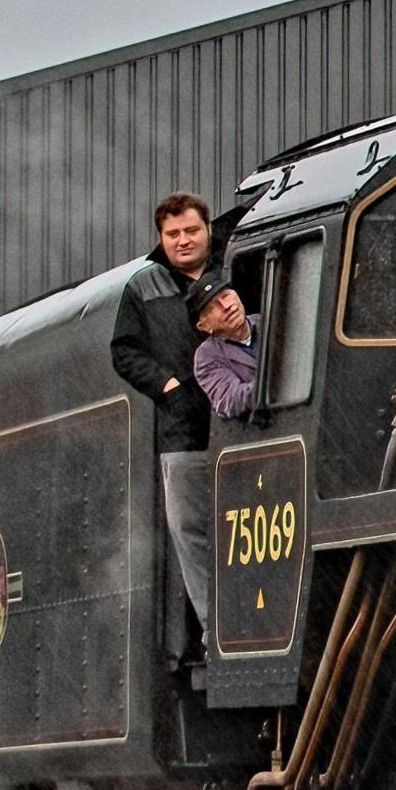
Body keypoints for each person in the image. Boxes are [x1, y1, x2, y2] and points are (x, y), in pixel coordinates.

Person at [112, 193, 218, 634]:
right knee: (192, 534)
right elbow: (124, 351)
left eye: (191, 230)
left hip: (239, 420)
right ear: (161, 238)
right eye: (173, 234)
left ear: (207, 230)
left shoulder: (233, 271)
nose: (183, 240)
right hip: (180, 430)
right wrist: (167, 386)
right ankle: (214, 628)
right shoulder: (142, 287)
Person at [192, 286, 259, 425]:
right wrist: (276, 385)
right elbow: (230, 400)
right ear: (203, 326)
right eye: (213, 307)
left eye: (226, 295)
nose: (226, 306)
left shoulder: (272, 320)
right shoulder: (207, 356)